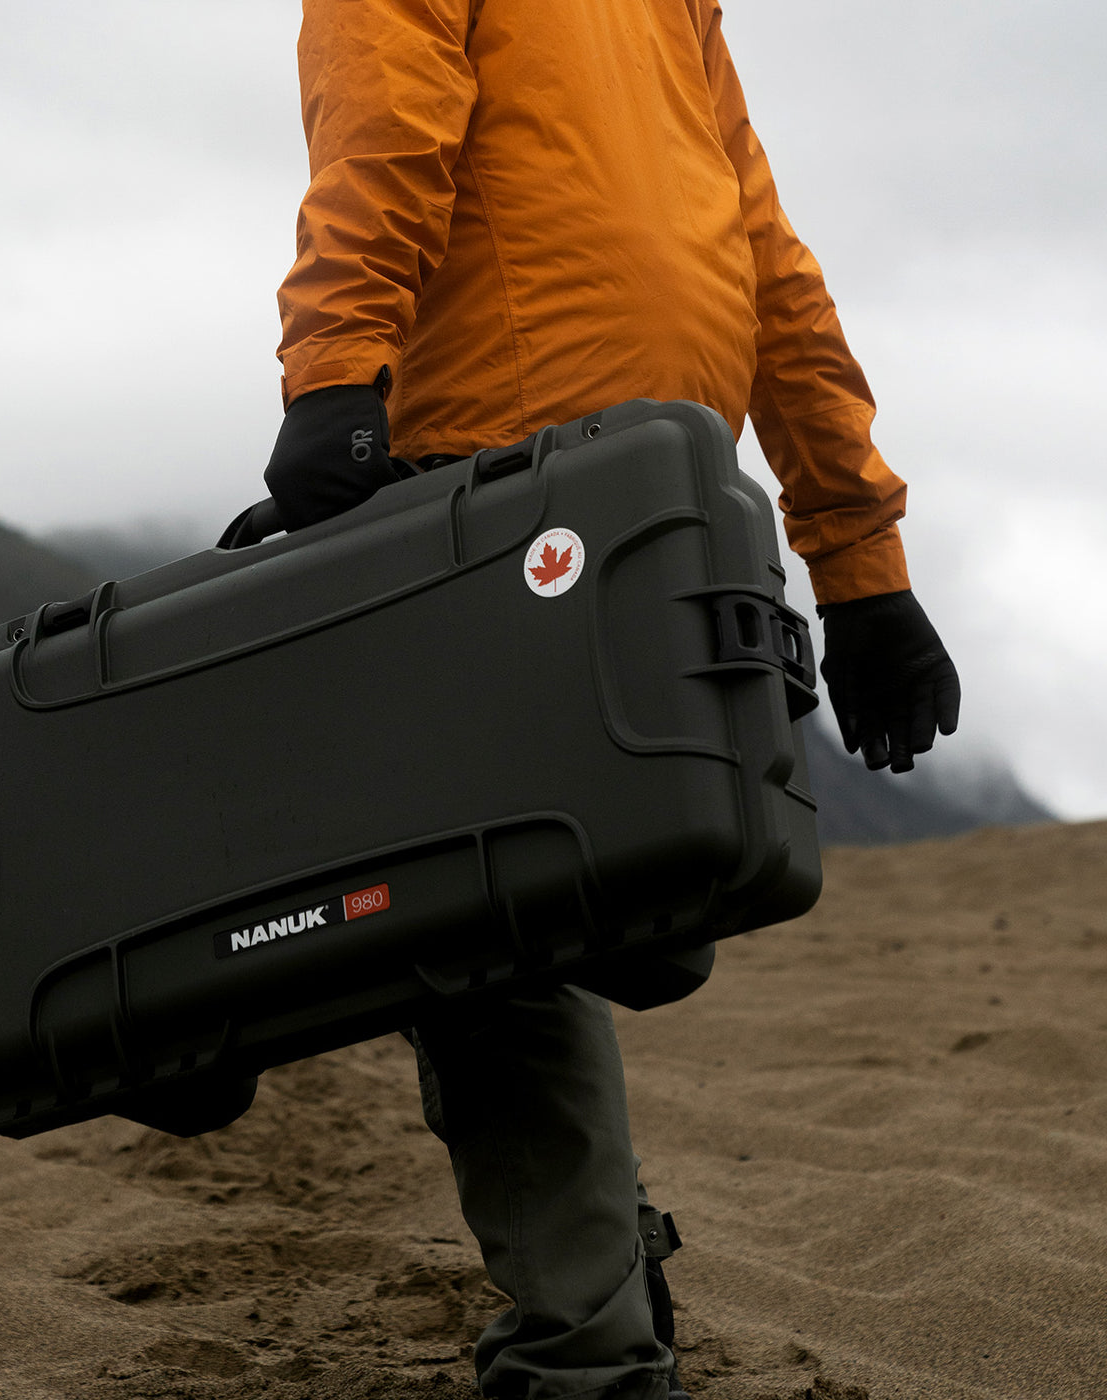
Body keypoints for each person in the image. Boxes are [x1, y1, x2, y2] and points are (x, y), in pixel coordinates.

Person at [261, 3, 961, 1398]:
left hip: (523, 474)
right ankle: (595, 1303)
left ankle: (587, 1339)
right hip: (643, 482)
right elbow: (761, 251)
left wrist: (339, 367)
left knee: (493, 922)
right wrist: (852, 549)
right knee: (527, 912)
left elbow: (395, 127)